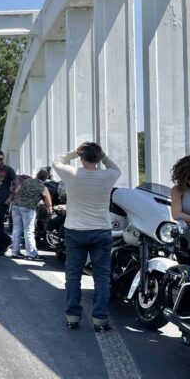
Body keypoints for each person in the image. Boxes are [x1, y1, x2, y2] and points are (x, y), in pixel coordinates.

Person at [53, 142, 121, 332]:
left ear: (82, 157)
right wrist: (103, 155)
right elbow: (115, 168)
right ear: (99, 158)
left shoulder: (72, 174)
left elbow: (57, 162)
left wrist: (75, 152)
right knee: (101, 276)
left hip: (75, 230)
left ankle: (72, 317)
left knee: (73, 275)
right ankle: (100, 320)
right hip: (101, 230)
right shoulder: (108, 176)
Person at [8, 169, 52, 259]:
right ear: (45, 178)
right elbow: (48, 200)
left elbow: (16, 191)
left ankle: (15, 252)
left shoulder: (26, 181)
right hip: (28, 209)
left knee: (16, 229)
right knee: (28, 231)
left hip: (16, 206)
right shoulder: (42, 186)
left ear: (37, 175)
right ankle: (32, 254)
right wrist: (50, 210)